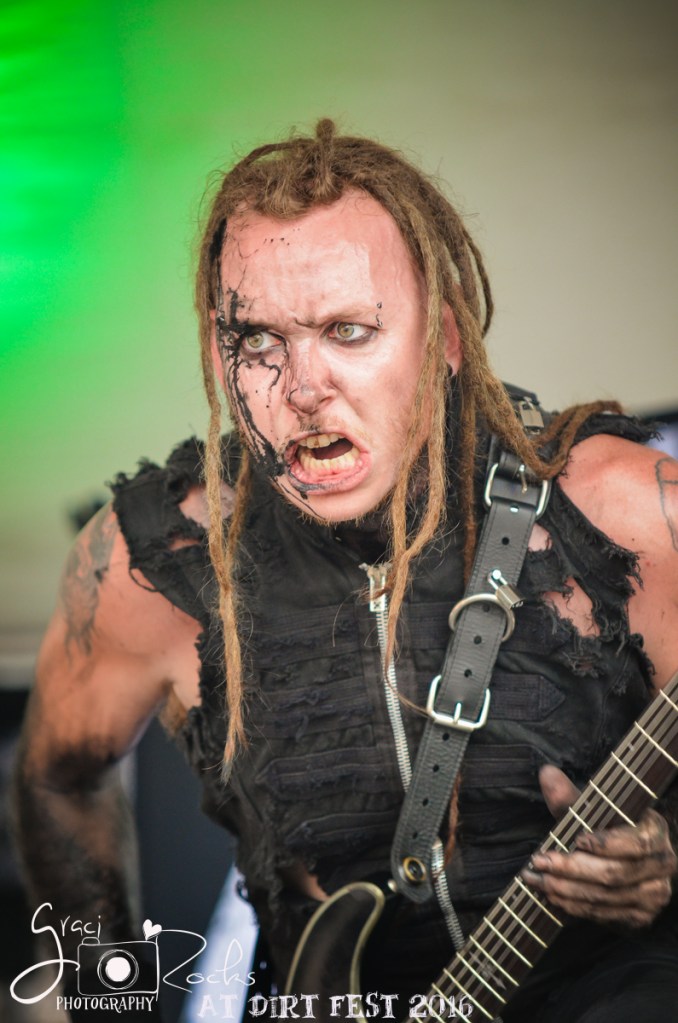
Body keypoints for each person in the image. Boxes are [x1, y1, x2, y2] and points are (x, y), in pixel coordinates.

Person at [12, 119, 678, 1022]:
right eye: (258, 341)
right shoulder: (155, 564)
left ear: (444, 340)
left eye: (349, 331)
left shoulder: (625, 512)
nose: (303, 388)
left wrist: (668, 855)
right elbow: (55, 778)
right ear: (217, 353)